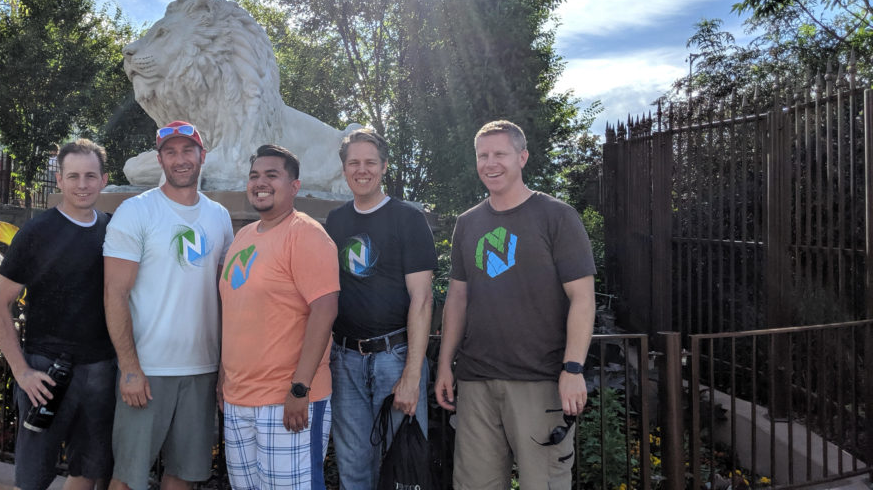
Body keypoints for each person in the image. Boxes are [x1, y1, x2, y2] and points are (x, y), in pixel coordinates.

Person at [434, 120, 596, 490]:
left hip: (540, 381)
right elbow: (457, 298)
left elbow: (582, 297)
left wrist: (573, 368)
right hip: (476, 382)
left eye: (500, 154)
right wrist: (445, 365)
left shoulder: (557, 216)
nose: (490, 163)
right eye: (483, 155)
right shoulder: (468, 222)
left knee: (545, 484)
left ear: (522, 157)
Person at [103, 121, 234, 490]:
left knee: (184, 476)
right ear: (159, 159)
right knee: (128, 478)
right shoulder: (136, 212)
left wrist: (224, 367)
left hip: (202, 370)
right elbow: (115, 293)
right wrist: (129, 367)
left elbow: (226, 299)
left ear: (201, 156)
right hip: (148, 370)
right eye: (171, 152)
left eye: (187, 150)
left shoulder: (219, 217)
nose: (180, 159)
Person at [0, 138, 116, 490]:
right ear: (58, 180)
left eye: (91, 176)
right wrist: (21, 371)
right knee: (32, 478)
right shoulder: (37, 231)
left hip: (100, 369)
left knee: (87, 470)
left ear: (104, 179)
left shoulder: (113, 229)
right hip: (44, 371)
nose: (82, 184)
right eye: (73, 176)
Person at [218, 144, 339, 490]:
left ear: (294, 186)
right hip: (239, 399)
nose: (261, 182)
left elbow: (325, 309)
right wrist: (224, 383)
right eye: (255, 175)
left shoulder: (306, 234)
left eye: (272, 175)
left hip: (288, 402)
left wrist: (300, 388)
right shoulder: (243, 236)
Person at [323, 128, 436, 488]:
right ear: (344, 169)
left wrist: (412, 376)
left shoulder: (408, 219)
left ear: (384, 167)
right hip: (345, 360)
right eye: (354, 162)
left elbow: (422, 299)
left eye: (370, 162)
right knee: (353, 468)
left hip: (395, 358)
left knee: (402, 469)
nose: (362, 169)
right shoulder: (336, 222)